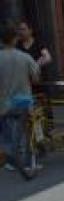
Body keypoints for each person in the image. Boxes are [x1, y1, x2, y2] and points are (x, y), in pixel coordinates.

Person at [1, 20, 40, 173]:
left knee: (8, 132)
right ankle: (27, 161)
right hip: (23, 101)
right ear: (15, 39)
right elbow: (36, 77)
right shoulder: (24, 57)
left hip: (4, 103)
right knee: (27, 132)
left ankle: (11, 159)